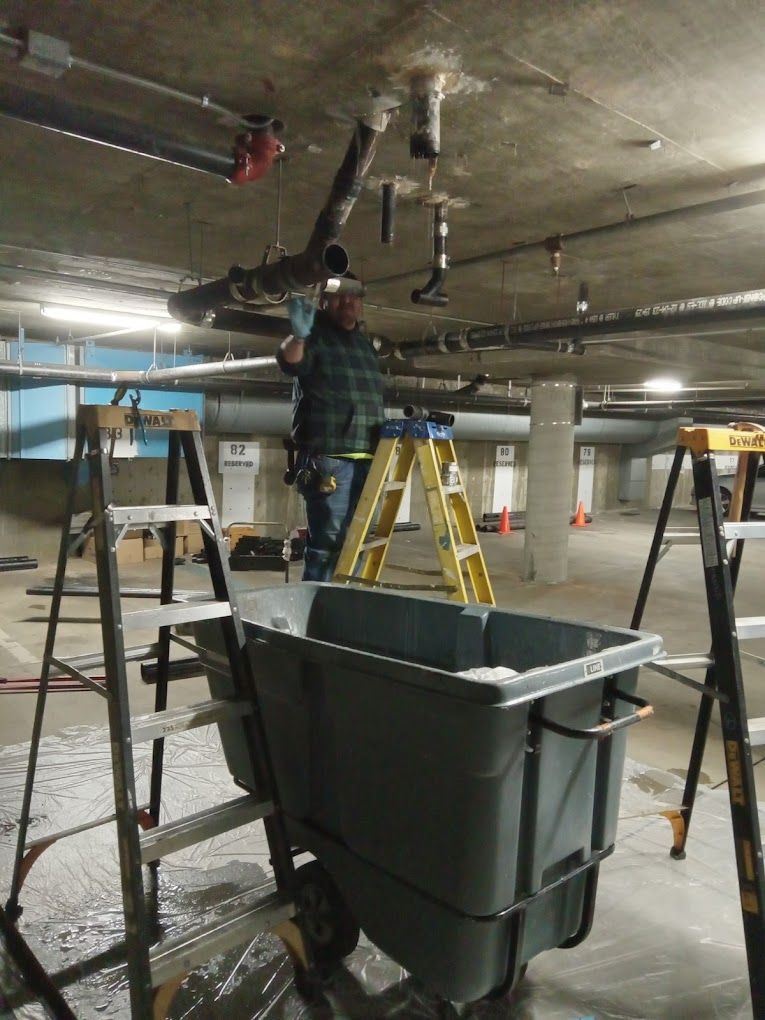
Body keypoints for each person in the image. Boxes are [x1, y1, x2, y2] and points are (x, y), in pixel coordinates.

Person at [276, 274, 384, 581]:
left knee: (360, 541)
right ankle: (318, 619)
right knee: (327, 545)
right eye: (339, 295)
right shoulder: (313, 336)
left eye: (354, 296)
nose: (347, 301)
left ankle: (348, 608)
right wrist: (297, 337)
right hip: (330, 458)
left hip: (369, 457)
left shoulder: (365, 346)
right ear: (324, 300)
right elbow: (290, 363)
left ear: (361, 303)